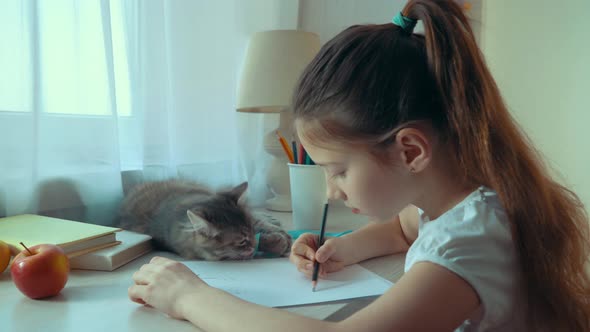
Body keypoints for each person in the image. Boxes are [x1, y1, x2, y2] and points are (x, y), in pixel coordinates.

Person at [127, 0, 590, 331]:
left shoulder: (467, 242)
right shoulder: (467, 203)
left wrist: (190, 297)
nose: (331, 191)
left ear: (410, 151)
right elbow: (405, 230)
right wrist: (342, 250)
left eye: (338, 170)